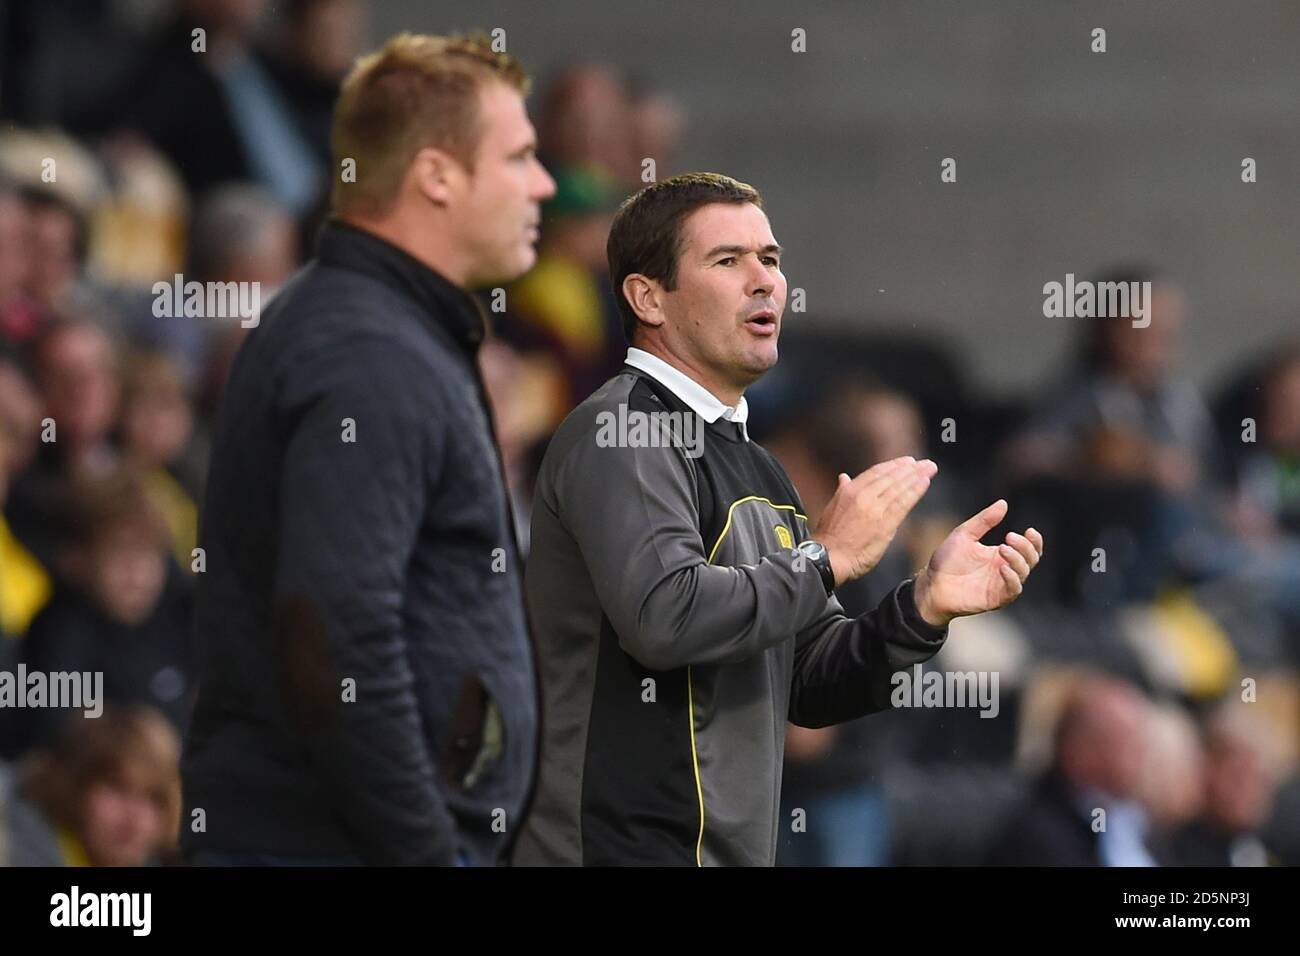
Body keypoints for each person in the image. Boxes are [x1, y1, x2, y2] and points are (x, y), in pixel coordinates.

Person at [513, 172, 1044, 866]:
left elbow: (808, 682)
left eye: (771, 259)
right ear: (647, 297)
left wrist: (921, 609)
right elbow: (663, 616)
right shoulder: (622, 433)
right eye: (728, 260)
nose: (763, 281)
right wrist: (823, 558)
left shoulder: (757, 466)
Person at [181, 32, 555, 867]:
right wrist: (426, 855)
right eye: (520, 156)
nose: (545, 184)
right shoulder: (367, 352)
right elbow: (332, 634)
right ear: (435, 175)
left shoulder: (378, 327)